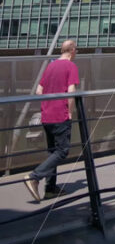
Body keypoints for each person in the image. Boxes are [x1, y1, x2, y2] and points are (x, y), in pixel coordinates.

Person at [24, 39, 80, 202]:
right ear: (72, 50)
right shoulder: (71, 66)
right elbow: (71, 91)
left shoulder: (51, 65)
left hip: (46, 115)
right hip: (60, 115)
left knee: (52, 151)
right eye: (76, 50)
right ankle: (34, 177)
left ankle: (50, 189)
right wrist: (70, 112)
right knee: (62, 151)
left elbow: (39, 90)